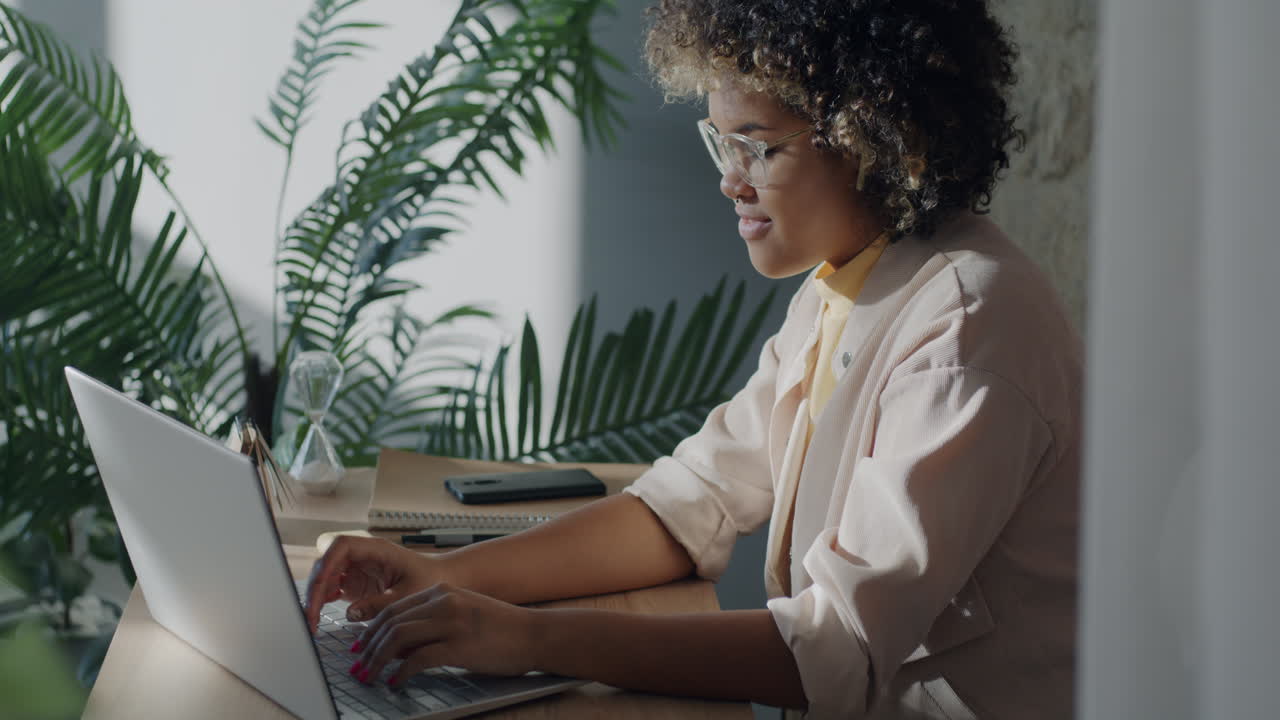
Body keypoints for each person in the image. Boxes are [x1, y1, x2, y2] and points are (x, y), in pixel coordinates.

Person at [304, 1, 1082, 717]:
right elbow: (687, 505)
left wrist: (530, 639)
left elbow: (832, 645)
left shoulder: (967, 330)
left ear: (873, 138)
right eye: (721, 140)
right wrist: (445, 577)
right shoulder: (847, 281)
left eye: (758, 147)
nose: (727, 179)